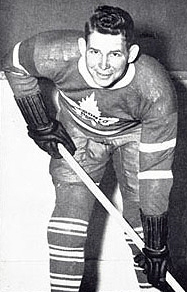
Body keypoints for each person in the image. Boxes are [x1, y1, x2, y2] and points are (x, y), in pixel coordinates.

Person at [2, 5, 177, 292]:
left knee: (143, 233)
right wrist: (39, 122)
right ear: (83, 46)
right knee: (68, 222)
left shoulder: (155, 90)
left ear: (131, 54)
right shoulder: (55, 52)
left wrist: (157, 245)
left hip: (135, 137)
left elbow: (155, 177)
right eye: (95, 52)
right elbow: (14, 63)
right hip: (79, 133)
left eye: (115, 54)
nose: (103, 65)